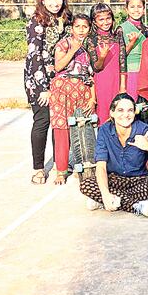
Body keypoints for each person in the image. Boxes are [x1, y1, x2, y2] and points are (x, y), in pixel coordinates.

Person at [79, 93, 148, 217]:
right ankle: (135, 205)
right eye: (120, 110)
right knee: (85, 185)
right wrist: (105, 194)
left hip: (139, 180)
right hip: (115, 179)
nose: (126, 115)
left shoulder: (143, 129)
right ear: (112, 113)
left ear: (134, 113)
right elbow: (101, 166)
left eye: (130, 110)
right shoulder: (104, 130)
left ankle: (107, 201)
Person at [24, 0, 72, 185]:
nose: (55, 3)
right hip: (39, 80)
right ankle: (38, 168)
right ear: (42, 0)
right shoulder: (37, 22)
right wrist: (44, 88)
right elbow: (34, 56)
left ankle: (61, 164)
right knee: (42, 121)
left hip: (61, 79)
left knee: (60, 123)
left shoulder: (66, 19)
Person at [49, 14, 96, 185]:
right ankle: (61, 171)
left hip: (82, 91)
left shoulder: (89, 48)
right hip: (62, 91)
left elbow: (92, 75)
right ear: (72, 28)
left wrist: (93, 98)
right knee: (62, 130)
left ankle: (81, 167)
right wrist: (73, 50)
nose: (81, 30)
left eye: (85, 26)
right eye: (78, 26)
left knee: (82, 129)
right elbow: (58, 66)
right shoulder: (64, 44)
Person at [86, 3, 127, 124]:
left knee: (120, 115)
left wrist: (123, 86)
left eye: (108, 18)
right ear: (94, 22)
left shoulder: (117, 35)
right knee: (104, 116)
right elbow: (96, 68)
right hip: (101, 82)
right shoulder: (91, 39)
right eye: (101, 19)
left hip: (117, 80)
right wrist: (103, 56)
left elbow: (123, 62)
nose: (105, 22)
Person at [119, 0, 148, 100]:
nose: (136, 10)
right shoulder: (121, 29)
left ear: (144, 9)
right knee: (131, 101)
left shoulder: (147, 30)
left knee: (145, 104)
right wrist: (131, 43)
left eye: (139, 6)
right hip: (131, 71)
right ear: (126, 9)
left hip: (146, 71)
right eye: (132, 7)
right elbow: (120, 56)